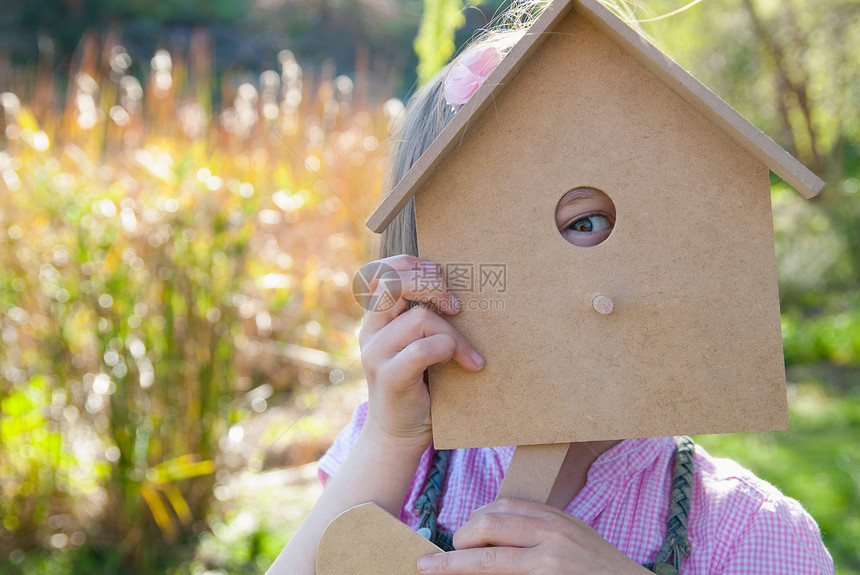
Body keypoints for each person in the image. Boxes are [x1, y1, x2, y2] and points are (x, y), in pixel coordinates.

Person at [267, 3, 835, 573]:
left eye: (586, 223)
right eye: (492, 242)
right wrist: (390, 441)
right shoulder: (394, 464)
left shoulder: (748, 531)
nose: (551, 282)